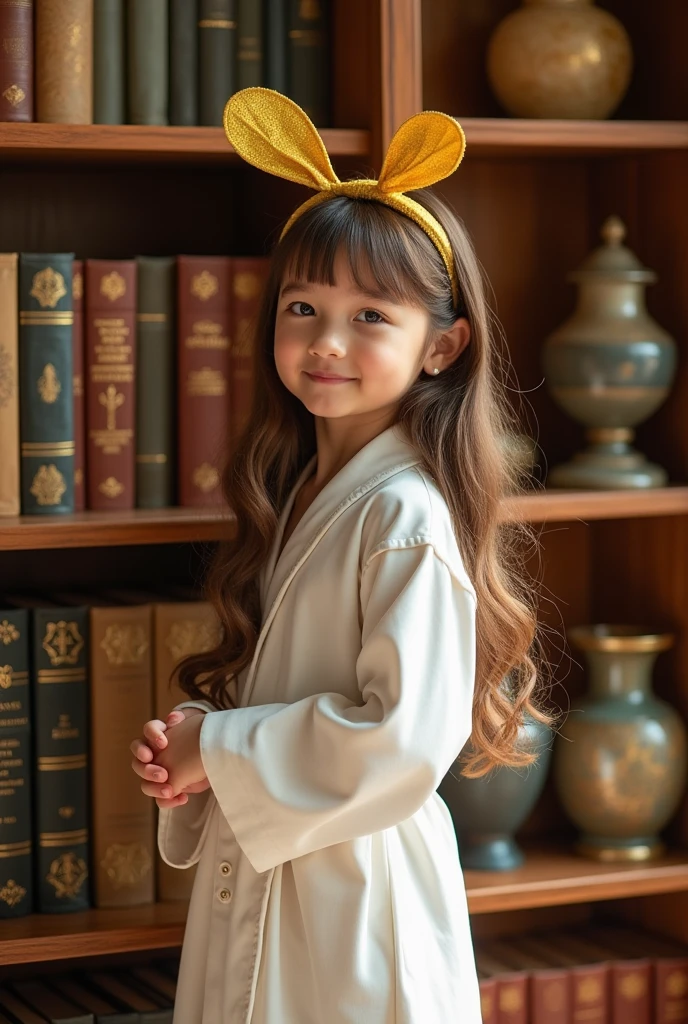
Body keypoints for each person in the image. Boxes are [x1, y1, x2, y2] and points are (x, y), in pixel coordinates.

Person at [130, 88, 546, 1023]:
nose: (325, 341)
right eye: (304, 306)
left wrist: (222, 748)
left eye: (371, 318)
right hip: (285, 881)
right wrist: (196, 746)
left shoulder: (404, 513)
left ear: (442, 345)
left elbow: (402, 737)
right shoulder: (305, 493)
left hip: (358, 905)